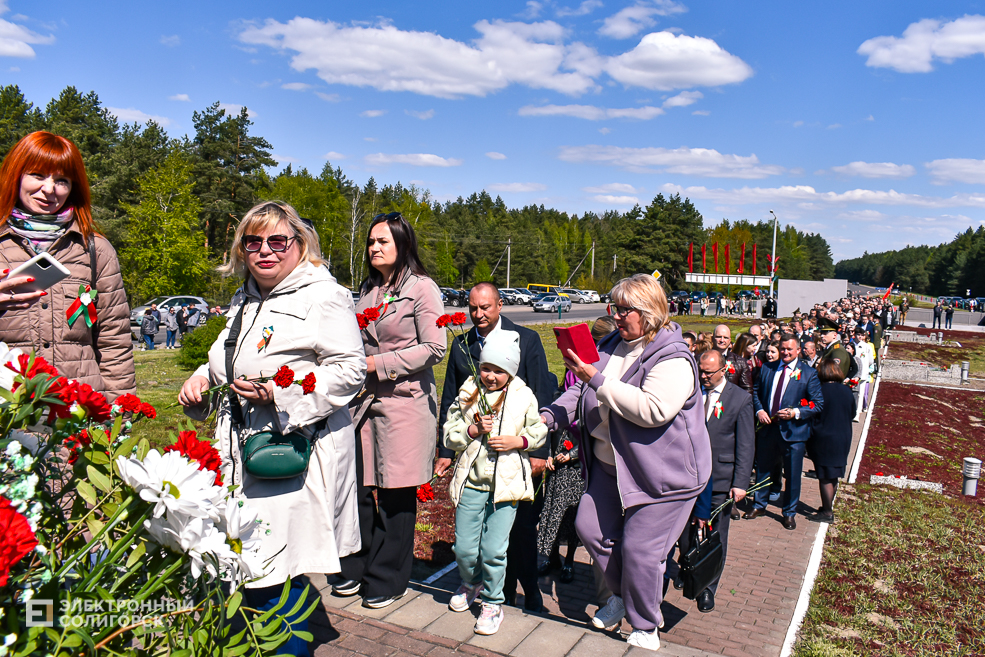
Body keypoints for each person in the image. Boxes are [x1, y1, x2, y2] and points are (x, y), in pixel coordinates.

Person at [178, 201, 367, 657]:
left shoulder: (324, 295)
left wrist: (280, 395)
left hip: (292, 450)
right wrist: (203, 379)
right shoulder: (246, 297)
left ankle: (285, 648)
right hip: (241, 451)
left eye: (277, 241)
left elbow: (350, 370)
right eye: (253, 242)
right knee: (256, 562)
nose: (265, 251)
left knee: (271, 566)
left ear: (299, 245)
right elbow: (226, 359)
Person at [541, 274, 711, 652]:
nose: (615, 316)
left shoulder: (674, 357)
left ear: (649, 313)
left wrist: (597, 379)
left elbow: (653, 410)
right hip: (610, 463)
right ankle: (624, 595)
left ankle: (646, 625)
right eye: (612, 307)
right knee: (590, 527)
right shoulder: (612, 342)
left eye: (623, 309)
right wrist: (550, 415)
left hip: (663, 476)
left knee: (641, 551)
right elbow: (578, 388)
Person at [337, 212, 447, 609]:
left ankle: (388, 577)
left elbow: (435, 347)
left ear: (402, 244)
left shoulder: (422, 289)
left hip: (404, 403)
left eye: (383, 241)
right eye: (370, 242)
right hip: (363, 402)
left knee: (397, 492)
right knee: (360, 488)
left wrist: (376, 364)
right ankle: (356, 566)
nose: (374, 248)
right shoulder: (367, 290)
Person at [435, 282, 554, 611]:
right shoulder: (461, 345)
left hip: (518, 456)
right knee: (480, 533)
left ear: (500, 305)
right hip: (477, 456)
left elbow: (541, 395)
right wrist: (445, 452)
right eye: (473, 308)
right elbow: (451, 400)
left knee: (521, 530)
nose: (478, 314)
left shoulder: (527, 340)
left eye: (485, 307)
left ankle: (529, 592)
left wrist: (539, 453)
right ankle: (488, 590)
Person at [0, 131, 135, 399]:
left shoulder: (95, 250)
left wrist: (118, 414)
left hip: (76, 415)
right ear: (15, 176)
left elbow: (114, 342)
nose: (49, 190)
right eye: (37, 175)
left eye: (62, 180)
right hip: (8, 417)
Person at [538, 316, 617, 584]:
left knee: (575, 511)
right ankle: (549, 554)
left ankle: (573, 560)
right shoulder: (579, 369)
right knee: (556, 506)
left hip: (586, 446)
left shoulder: (607, 367)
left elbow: (596, 408)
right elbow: (572, 396)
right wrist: (548, 423)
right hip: (568, 440)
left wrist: (573, 453)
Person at [675, 350, 754, 613]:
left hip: (720, 478)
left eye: (709, 372)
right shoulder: (692, 393)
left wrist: (740, 481)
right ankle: (687, 567)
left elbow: (745, 444)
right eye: (701, 371)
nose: (704, 376)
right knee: (685, 533)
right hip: (688, 476)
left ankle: (708, 588)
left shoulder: (740, 400)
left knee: (715, 536)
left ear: (724, 370)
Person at [745, 335, 823, 530]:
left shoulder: (808, 373)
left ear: (798, 350)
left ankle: (789, 512)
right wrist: (759, 410)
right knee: (763, 470)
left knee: (792, 474)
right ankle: (759, 504)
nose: (786, 353)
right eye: (783, 349)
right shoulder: (767, 368)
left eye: (790, 349)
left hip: (793, 433)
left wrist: (796, 412)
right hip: (768, 429)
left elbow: (817, 404)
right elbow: (755, 392)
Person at [807, 358, 856, 524]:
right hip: (843, 436)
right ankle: (827, 506)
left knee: (824, 476)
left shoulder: (819, 391)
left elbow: (812, 413)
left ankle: (827, 511)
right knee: (833, 474)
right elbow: (853, 413)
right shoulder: (846, 391)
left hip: (823, 437)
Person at [712, 324, 753, 393]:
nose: (722, 340)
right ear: (712, 338)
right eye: (719, 337)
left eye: (725, 338)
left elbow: (747, 389)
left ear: (730, 340)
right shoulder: (701, 359)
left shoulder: (740, 362)